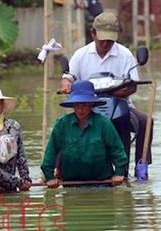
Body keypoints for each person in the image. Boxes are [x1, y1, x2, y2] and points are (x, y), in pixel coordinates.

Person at [59, 12, 153, 177]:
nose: (106, 44)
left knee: (147, 121)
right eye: (102, 39)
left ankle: (141, 166)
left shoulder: (125, 55)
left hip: (120, 105)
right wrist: (66, 85)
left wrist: (115, 91)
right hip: (87, 106)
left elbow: (132, 86)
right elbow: (68, 77)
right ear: (93, 33)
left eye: (110, 40)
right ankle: (57, 168)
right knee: (64, 125)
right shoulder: (81, 55)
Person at [41, 80, 128, 188]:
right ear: (72, 105)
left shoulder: (104, 123)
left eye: (84, 105)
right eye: (77, 105)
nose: (80, 109)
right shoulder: (62, 124)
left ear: (91, 104)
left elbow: (117, 150)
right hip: (71, 185)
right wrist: (49, 177)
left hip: (102, 184)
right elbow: (51, 152)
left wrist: (119, 173)